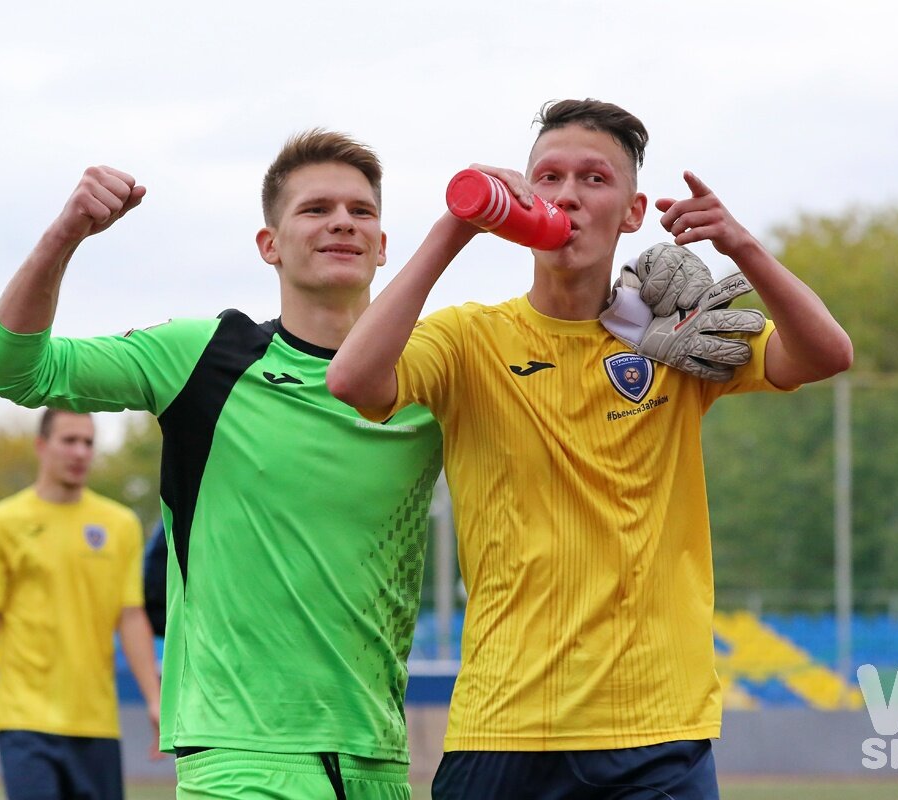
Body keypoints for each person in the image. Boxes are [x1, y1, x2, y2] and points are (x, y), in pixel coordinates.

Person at [327, 98, 854, 799]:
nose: (568, 195)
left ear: (633, 213)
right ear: (521, 197)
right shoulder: (467, 339)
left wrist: (742, 247)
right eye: (547, 177)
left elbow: (826, 354)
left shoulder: (675, 336)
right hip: (504, 724)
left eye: (594, 179)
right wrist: (454, 230)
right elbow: (353, 379)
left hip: (655, 728)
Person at [0, 130, 443, 799]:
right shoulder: (203, 356)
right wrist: (66, 234)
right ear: (269, 246)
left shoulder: (434, 375)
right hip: (239, 755)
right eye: (314, 209)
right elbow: (11, 369)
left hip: (378, 756)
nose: (342, 220)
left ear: (383, 246)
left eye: (361, 211)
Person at [0, 408, 161, 800]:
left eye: (88, 443)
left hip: (96, 723)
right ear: (42, 446)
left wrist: (155, 701)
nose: (80, 452)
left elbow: (130, 617)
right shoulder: (1, 522)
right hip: (25, 720)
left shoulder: (120, 524)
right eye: (69, 440)